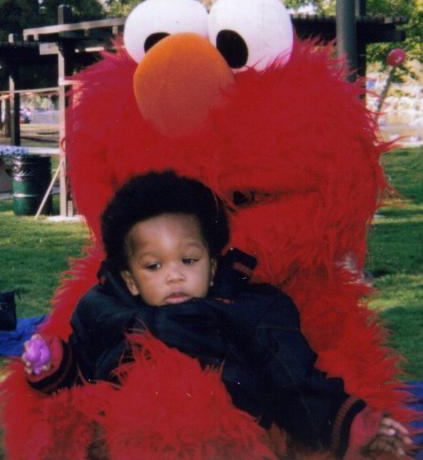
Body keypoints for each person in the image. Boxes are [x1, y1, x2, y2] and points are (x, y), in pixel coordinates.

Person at [22, 170, 412, 458]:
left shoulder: (246, 309)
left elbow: (294, 377)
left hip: (225, 436)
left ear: (211, 266)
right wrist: (52, 365)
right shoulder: (103, 309)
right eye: (153, 266)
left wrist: (351, 423)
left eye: (188, 260)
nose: (174, 274)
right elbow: (84, 370)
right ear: (132, 279)